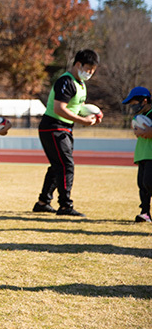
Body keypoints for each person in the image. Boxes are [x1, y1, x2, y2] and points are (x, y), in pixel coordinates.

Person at [32, 49, 100, 217]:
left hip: (65, 128)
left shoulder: (80, 84)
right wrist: (83, 121)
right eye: (88, 69)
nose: (90, 73)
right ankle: (65, 205)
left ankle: (43, 202)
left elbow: (77, 107)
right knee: (65, 165)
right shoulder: (65, 81)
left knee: (58, 165)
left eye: (93, 70)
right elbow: (59, 108)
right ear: (78, 64)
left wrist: (94, 114)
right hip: (54, 127)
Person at [121, 86, 152, 223]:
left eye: (134, 104)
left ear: (144, 101)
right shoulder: (140, 117)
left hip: (151, 155)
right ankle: (145, 212)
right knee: (142, 185)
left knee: (149, 183)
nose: (133, 108)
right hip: (141, 154)